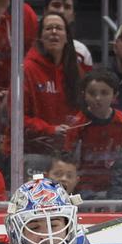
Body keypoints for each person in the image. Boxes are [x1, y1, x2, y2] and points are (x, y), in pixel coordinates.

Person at [64, 69, 122, 198]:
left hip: (116, 185)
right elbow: (70, 162)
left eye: (104, 93)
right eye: (92, 93)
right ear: (84, 95)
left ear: (115, 96)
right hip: (83, 188)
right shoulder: (77, 124)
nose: (98, 98)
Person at [22, 12, 87, 154]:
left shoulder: (75, 70)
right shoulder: (27, 69)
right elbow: (16, 117)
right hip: (30, 153)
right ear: (40, 37)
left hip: (65, 152)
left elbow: (82, 111)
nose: (54, 32)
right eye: (48, 28)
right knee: (39, 176)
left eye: (58, 28)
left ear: (66, 37)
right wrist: (50, 130)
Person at [43, 0, 92, 67]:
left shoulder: (82, 53)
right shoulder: (32, 48)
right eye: (56, 5)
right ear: (45, 11)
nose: (61, 11)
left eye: (67, 7)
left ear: (73, 16)